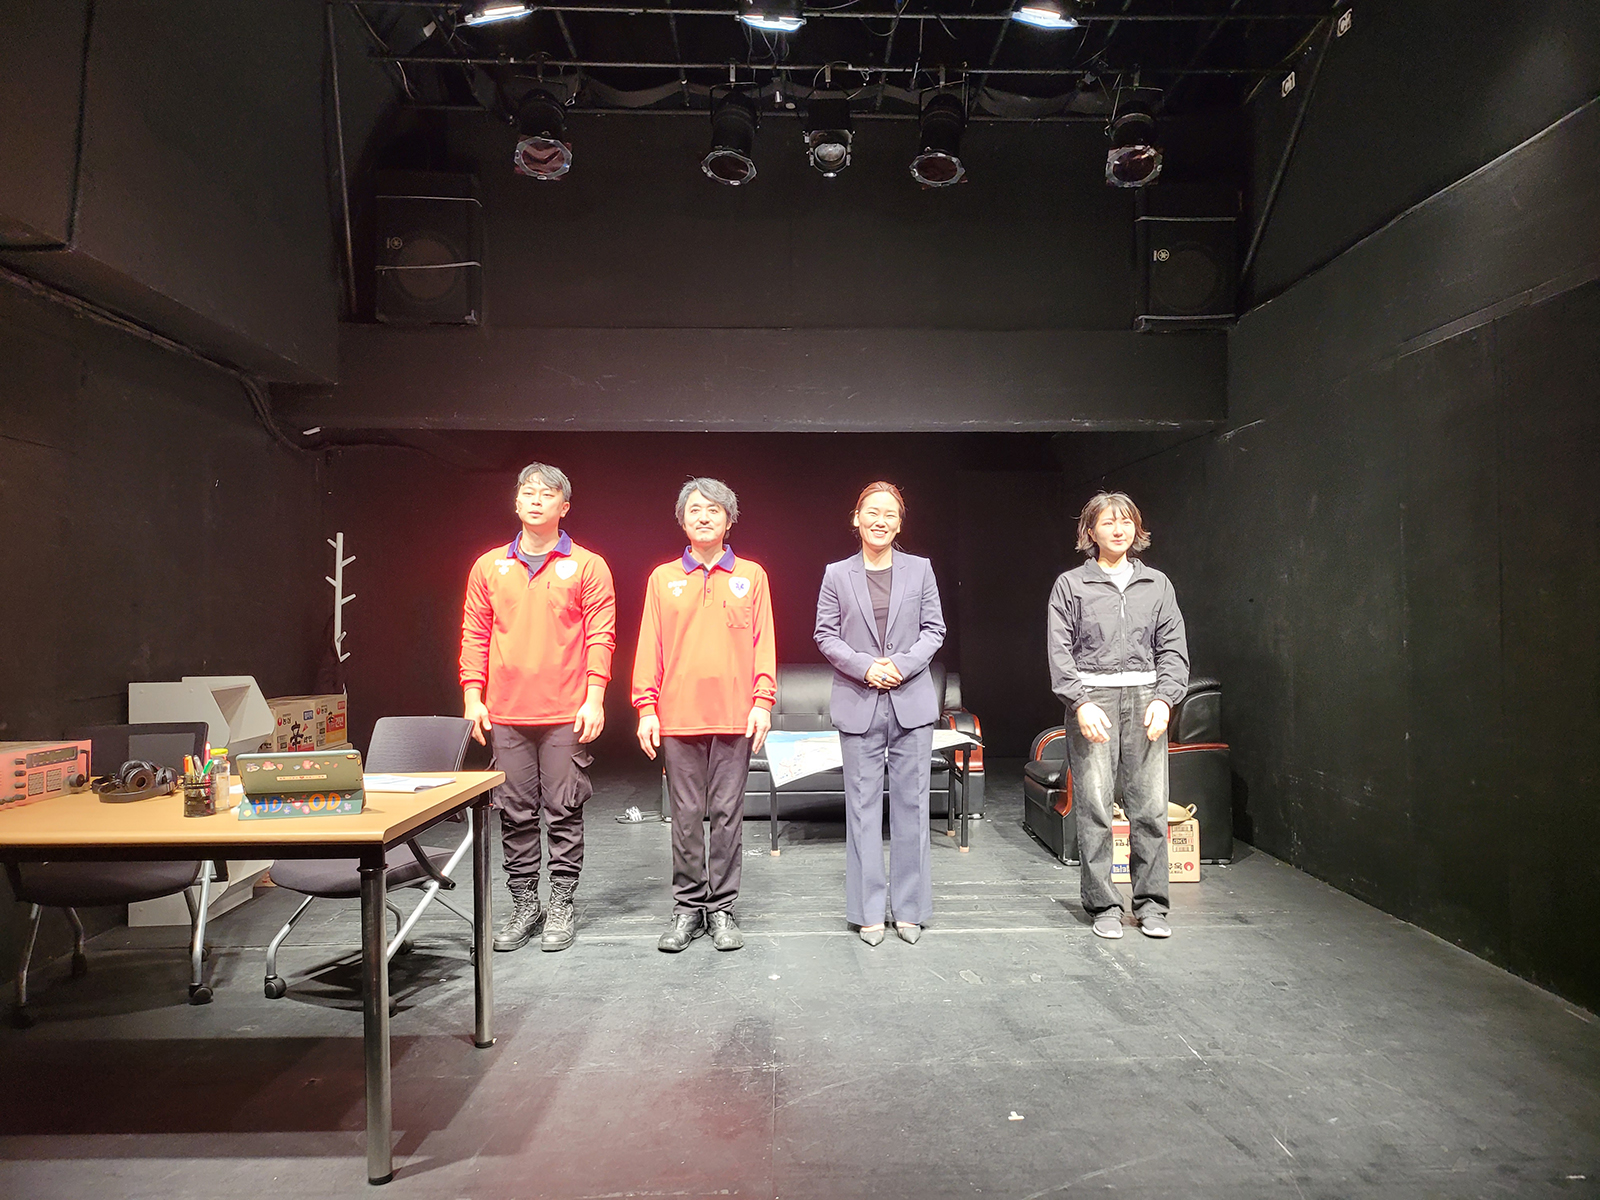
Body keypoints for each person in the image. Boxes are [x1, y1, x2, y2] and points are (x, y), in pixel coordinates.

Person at [460, 463, 616, 953]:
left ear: (563, 507)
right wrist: (472, 695)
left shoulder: (588, 565)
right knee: (514, 812)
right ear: (516, 503)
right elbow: (474, 634)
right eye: (527, 493)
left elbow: (601, 635)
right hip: (506, 712)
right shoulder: (488, 566)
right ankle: (526, 905)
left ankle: (562, 903)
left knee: (564, 809)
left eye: (547, 494)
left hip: (566, 711)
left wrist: (595, 697)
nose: (535, 500)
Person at [633, 478, 776, 953]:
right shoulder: (662, 578)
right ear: (682, 519)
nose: (704, 516)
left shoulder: (751, 576)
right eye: (695, 509)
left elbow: (764, 643)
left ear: (729, 520)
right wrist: (646, 708)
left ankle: (722, 909)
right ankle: (688, 907)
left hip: (735, 717)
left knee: (729, 816)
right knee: (686, 817)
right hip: (678, 717)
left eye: (714, 509)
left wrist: (762, 701)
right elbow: (649, 646)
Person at [1047, 491, 1188, 940]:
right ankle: (1104, 904)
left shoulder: (1157, 584)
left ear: (1136, 528)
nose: (1118, 529)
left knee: (1150, 807)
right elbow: (1059, 652)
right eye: (1108, 522)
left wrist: (1165, 699)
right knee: (1094, 808)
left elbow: (1173, 649)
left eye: (1126, 521)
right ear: (1091, 531)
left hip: (1146, 700)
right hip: (1095, 701)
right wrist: (1080, 702)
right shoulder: (1071, 585)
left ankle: (1152, 905)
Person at [814, 483, 946, 946]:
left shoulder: (921, 569)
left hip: (911, 702)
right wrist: (866, 667)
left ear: (899, 523)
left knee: (912, 809)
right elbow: (825, 635)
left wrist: (901, 666)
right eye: (872, 512)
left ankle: (910, 911)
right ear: (857, 518)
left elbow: (934, 630)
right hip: (859, 701)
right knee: (862, 810)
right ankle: (868, 912)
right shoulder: (836, 574)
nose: (880, 520)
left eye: (890, 514)